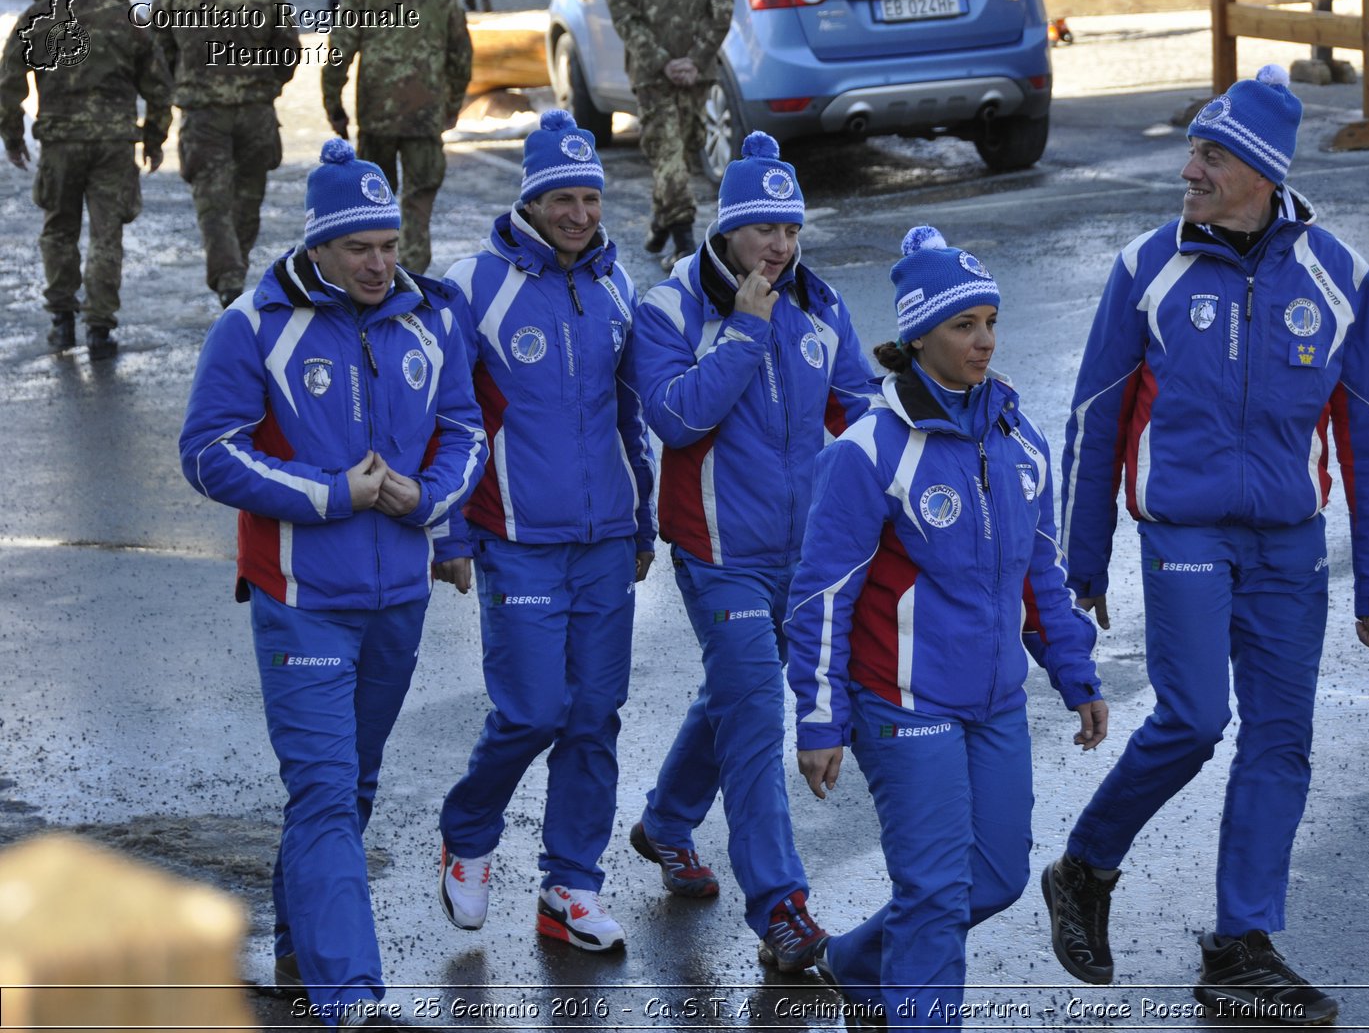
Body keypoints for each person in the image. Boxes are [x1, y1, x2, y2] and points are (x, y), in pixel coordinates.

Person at [1044, 65, 1369, 1026]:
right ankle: (1085, 866)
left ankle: (1239, 946)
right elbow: (1094, 419)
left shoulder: (1337, 276)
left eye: (1211, 153)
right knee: (1197, 717)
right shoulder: (1146, 268)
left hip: (1291, 541)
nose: (1190, 167)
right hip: (1185, 529)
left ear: (1259, 172)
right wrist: (1081, 560)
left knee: (1283, 739)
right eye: (1194, 147)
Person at [179, 139, 486, 1030]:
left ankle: (296, 944)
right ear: (319, 246)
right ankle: (354, 996)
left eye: (390, 244)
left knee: (350, 786)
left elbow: (465, 430)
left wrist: (426, 500)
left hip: (398, 597)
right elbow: (207, 452)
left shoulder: (430, 317)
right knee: (322, 788)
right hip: (301, 598)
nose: (381, 264)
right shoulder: (256, 323)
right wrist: (330, 494)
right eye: (361, 249)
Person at [785, 226, 1105, 1028]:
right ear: (917, 337)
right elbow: (821, 593)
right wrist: (820, 716)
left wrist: (1074, 671)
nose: (985, 340)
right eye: (964, 326)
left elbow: (1042, 573)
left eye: (990, 321)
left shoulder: (1017, 439)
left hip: (995, 699)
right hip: (903, 702)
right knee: (933, 893)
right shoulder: (868, 450)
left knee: (993, 877)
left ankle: (859, 965)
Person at [627, 131, 874, 972]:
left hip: (802, 557)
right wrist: (741, 333)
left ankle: (665, 821)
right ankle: (780, 906)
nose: (781, 244)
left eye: (792, 229)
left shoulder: (822, 303)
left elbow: (860, 413)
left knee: (735, 698)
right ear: (728, 230)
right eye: (765, 228)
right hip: (718, 553)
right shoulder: (670, 309)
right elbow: (674, 418)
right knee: (758, 713)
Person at [433, 110, 656, 953]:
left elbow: (628, 412)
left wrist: (641, 518)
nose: (580, 214)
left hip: (604, 536)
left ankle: (571, 884)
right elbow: (449, 417)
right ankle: (469, 827)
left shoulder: (615, 285)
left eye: (590, 197)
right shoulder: (474, 285)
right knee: (532, 709)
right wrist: (449, 529)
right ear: (530, 200)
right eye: (562, 197)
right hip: (516, 535)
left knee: (595, 713)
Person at [0, 0, 172, 360]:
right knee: (106, 234)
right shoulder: (128, 19)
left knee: (59, 229)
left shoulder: (38, 17)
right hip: (114, 144)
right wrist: (154, 138)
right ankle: (99, 327)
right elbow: (161, 87)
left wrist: (12, 137)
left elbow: (8, 84)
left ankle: (62, 320)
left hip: (60, 143)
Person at [151, 0, 298, 309]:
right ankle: (236, 272)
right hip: (255, 113)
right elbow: (288, 47)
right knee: (248, 198)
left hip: (204, 115)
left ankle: (229, 281)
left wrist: (183, 82)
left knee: (212, 203)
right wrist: (265, 84)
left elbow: (158, 50)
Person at [323, 0, 472, 274]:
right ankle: (411, 278)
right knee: (418, 203)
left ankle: (372, 277)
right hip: (424, 114)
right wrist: (452, 105)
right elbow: (461, 56)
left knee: (372, 204)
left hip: (377, 114)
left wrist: (334, 106)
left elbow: (339, 52)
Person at [606, 0, 732, 271]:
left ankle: (662, 221)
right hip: (653, 78)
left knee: (684, 152)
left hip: (697, 75)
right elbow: (623, 16)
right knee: (667, 153)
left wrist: (697, 59)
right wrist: (663, 62)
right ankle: (685, 246)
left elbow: (723, 5)